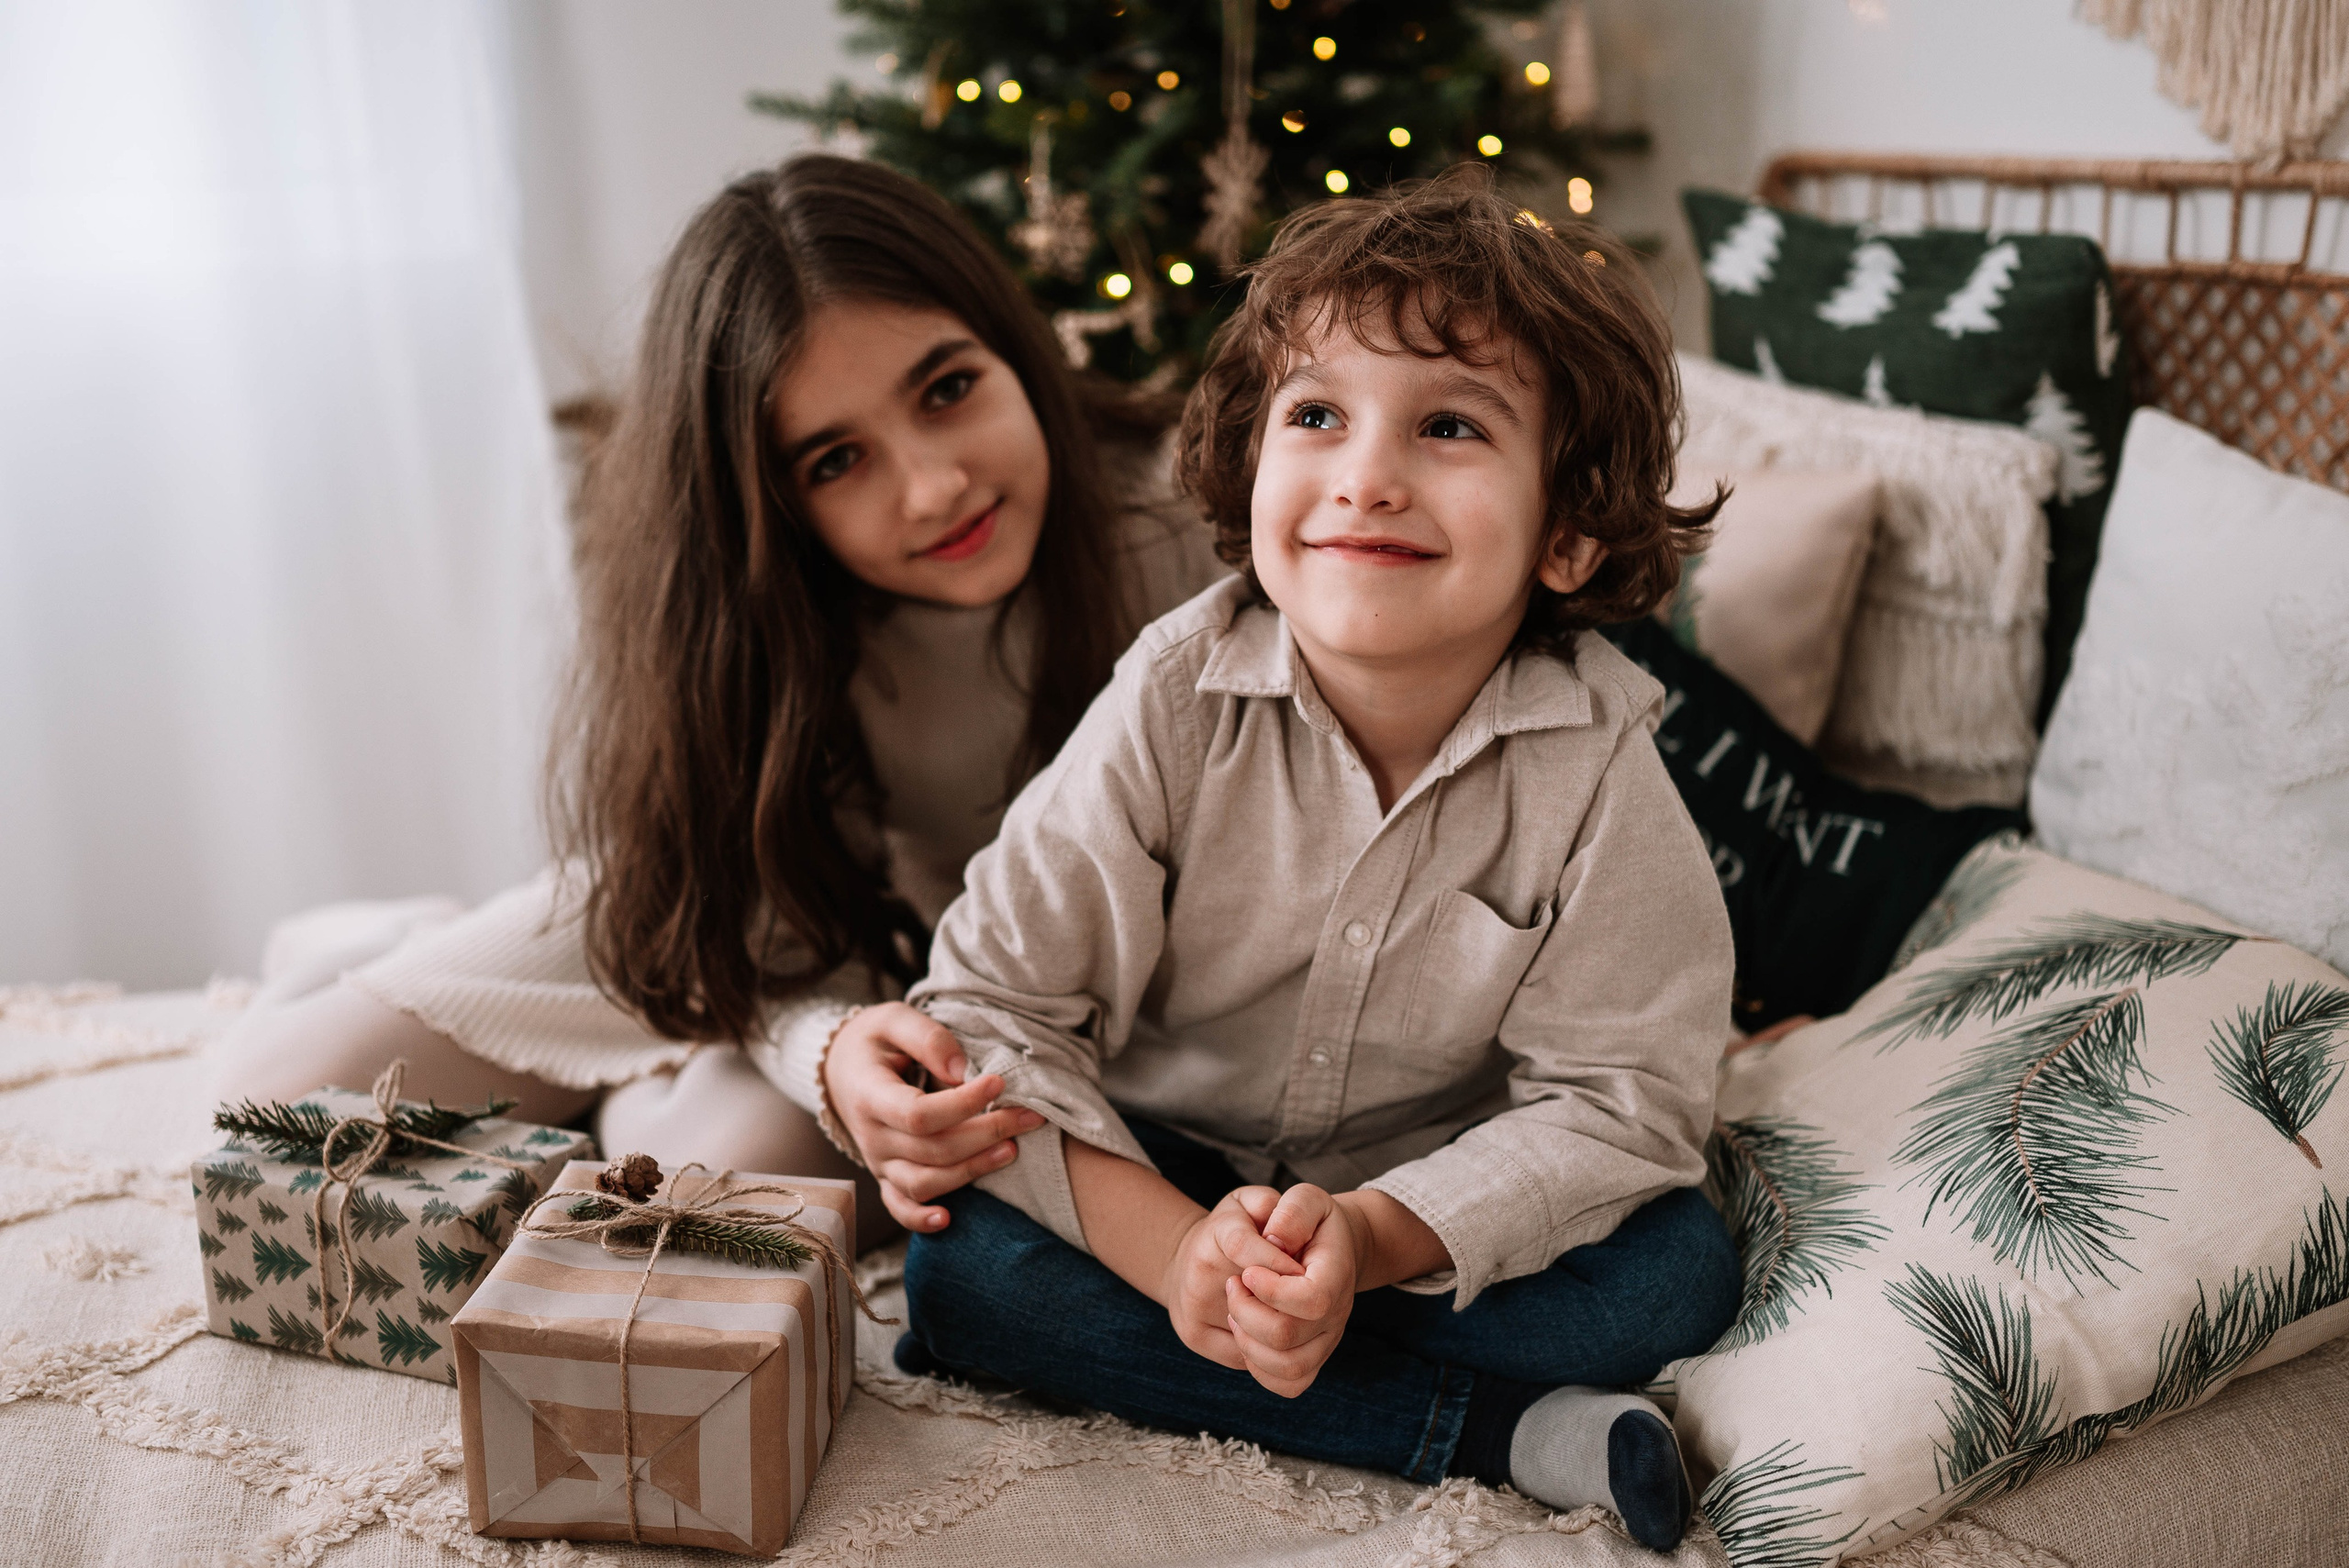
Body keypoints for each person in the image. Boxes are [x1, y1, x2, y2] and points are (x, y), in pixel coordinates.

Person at [872, 167, 1742, 1551]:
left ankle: (1318, 1352)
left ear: (1568, 529)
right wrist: (1179, 1257)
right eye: (1317, 414)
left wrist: (1374, 1235)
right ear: (1254, 461)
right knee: (962, 1264)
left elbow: (1620, 1102)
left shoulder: (1595, 768)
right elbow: (989, 1013)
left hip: (1414, 1216)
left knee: (1678, 1271)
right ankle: (1505, 1437)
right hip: (1158, 1171)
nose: (1367, 475)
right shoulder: (1172, 696)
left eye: (1450, 425)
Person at [209, 154, 1225, 1250]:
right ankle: (409, 939)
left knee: (705, 1204)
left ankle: (650, 1075)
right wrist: (821, 1044)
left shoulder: (1195, 521)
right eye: (837, 459)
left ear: (1014, 348)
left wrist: (837, 1052)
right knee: (272, 1109)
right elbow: (755, 924)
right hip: (752, 929)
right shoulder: (764, 612)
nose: (933, 487)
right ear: (769, 499)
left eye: (947, 389)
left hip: (929, 979)